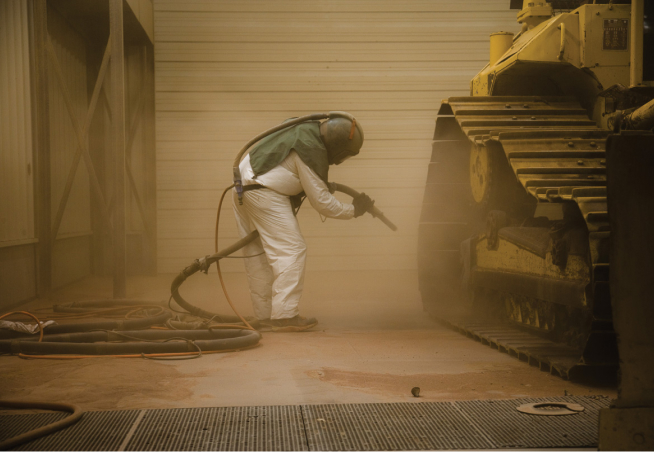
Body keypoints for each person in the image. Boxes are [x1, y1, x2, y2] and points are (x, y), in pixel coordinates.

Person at [232, 115, 373, 332]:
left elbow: (287, 170)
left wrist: (320, 185)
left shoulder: (301, 131)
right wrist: (355, 210)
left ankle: (264, 314)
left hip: (242, 186)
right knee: (292, 249)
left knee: (257, 253)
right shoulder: (310, 149)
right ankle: (284, 316)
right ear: (337, 147)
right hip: (264, 192)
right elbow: (323, 204)